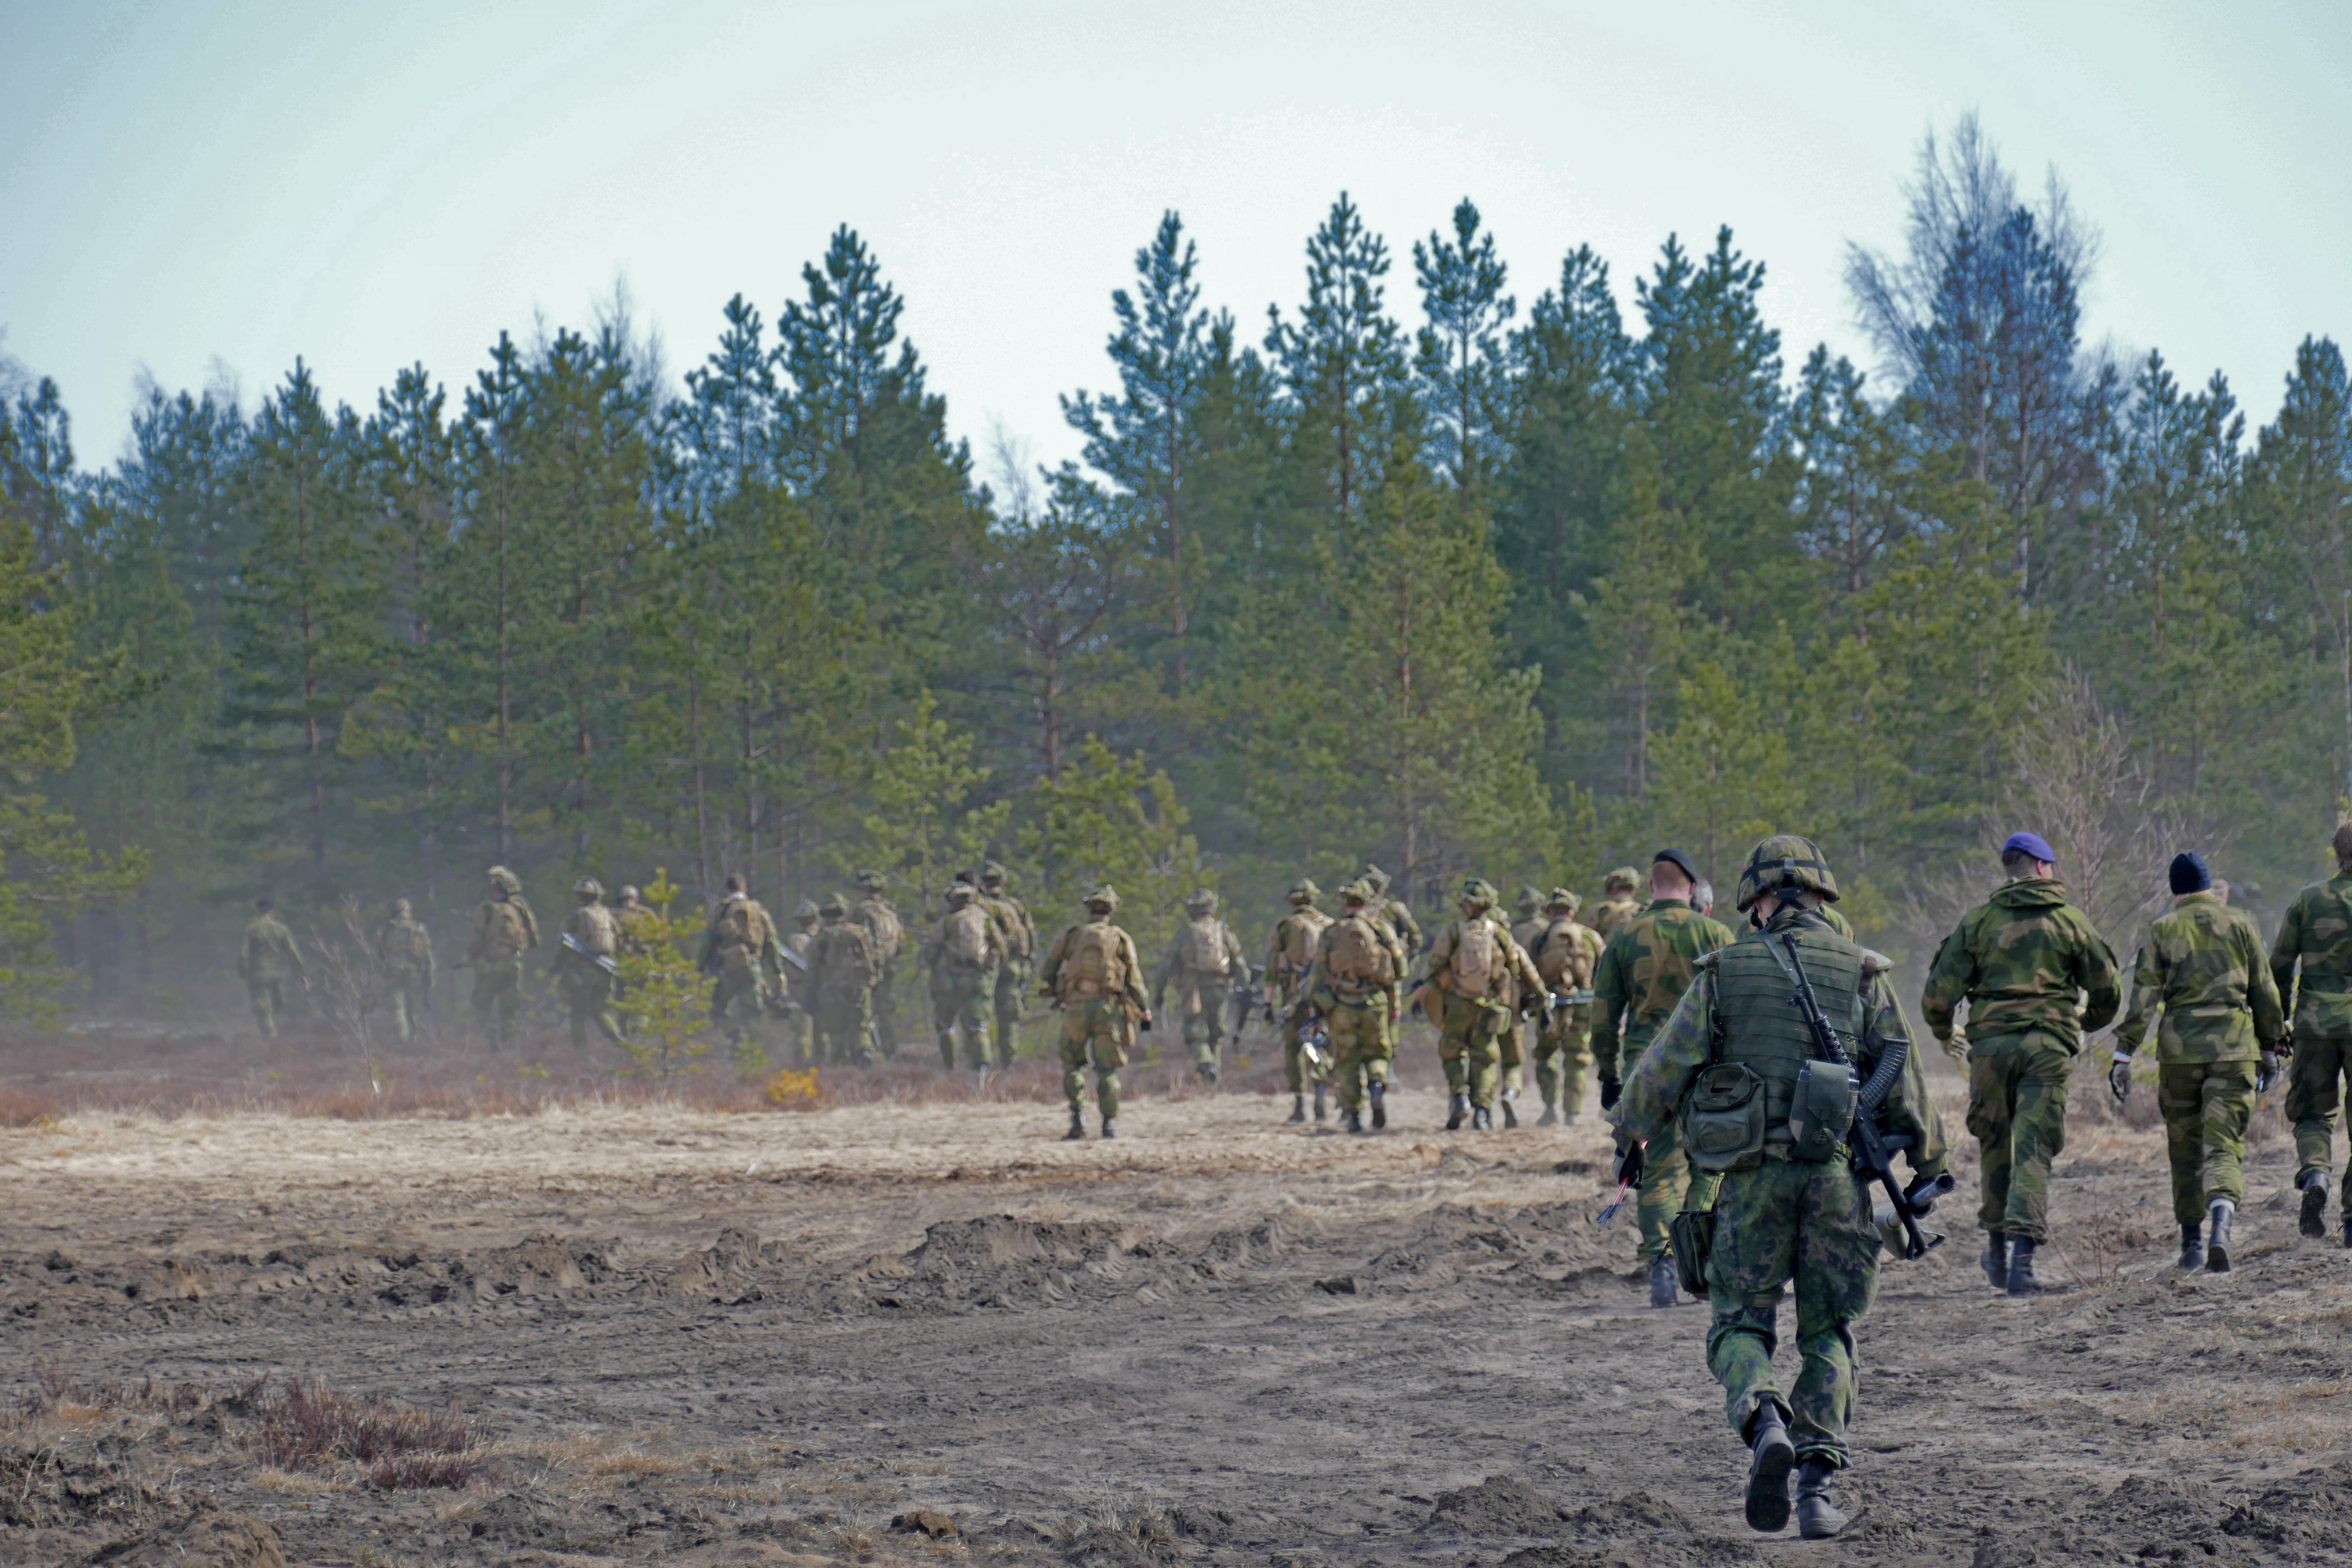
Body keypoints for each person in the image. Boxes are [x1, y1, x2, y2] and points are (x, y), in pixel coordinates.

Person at [1611, 834, 1946, 1541]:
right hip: (1834, 1181)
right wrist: (1925, 1163)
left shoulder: (1723, 970)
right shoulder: (1862, 970)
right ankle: (1818, 1487)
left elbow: (1661, 1070)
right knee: (1829, 1330)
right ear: (1821, 897)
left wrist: (1630, 1134)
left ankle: (1765, 1417)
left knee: (1738, 1320)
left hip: (1751, 1182)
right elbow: (1904, 1081)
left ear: (1758, 902)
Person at [1920, 830, 2121, 1295]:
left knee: (1995, 1143)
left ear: (2011, 870)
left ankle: (1994, 1247)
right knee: (2033, 1147)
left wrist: (1945, 1033)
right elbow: (2109, 991)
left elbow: (1937, 997)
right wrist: (2083, 1023)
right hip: (2047, 1049)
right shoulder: (2071, 922)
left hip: (1989, 1050)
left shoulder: (1978, 923)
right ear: (2043, 868)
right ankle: (2022, 1266)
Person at [2110, 851, 2285, 1271]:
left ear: (2175, 892)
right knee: (2225, 1144)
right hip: (2234, 1050)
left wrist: (2124, 1052)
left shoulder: (2162, 929)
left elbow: (2144, 998)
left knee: (2185, 1149)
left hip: (2180, 1054)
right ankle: (2222, 1221)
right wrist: (2271, 1047)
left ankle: (2191, 1244)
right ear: (2209, 886)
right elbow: (2265, 990)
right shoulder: (2241, 924)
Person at [1592, 849, 1735, 1305]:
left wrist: (1608, 1073)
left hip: (1645, 1070)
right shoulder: (1715, 933)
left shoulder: (1624, 935)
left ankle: (1663, 1264)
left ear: (1651, 887)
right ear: (1691, 889)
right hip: (1707, 1069)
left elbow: (1603, 1015)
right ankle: (1699, 1257)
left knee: (1655, 1172)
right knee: (1708, 1166)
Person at [2271, 823, 2352, 1246]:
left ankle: (2317, 1171)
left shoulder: (2309, 900)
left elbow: (2280, 967)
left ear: (2337, 855)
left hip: (2315, 1024)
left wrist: (2278, 1024)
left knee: (2312, 1114)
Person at [1420, 877, 1547, 1131]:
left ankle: (1460, 1096)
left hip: (1458, 1004)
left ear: (1466, 905)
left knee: (1452, 1052)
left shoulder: (1455, 931)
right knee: (1486, 1058)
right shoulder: (1500, 933)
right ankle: (1481, 1112)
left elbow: (1434, 966)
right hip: (1491, 1006)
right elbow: (1514, 967)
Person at [1038, 884, 1151, 1140]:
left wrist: (1056, 989)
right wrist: (1144, 1009)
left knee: (1073, 1064)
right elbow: (1134, 980)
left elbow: (1047, 971)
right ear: (1111, 911)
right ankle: (1109, 1125)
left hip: (1076, 1010)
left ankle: (1078, 1119)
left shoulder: (1071, 935)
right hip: (1107, 1010)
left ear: (1089, 909)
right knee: (1108, 1069)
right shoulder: (1120, 938)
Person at [1301, 880, 1407, 1134]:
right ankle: (1378, 1089)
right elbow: (1400, 971)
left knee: (1347, 1062)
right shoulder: (1381, 929)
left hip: (1342, 1007)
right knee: (1378, 1055)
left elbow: (1316, 976)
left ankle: (1355, 1116)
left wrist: (1315, 1007)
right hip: (1376, 1005)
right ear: (1367, 902)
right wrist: (1394, 1005)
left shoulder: (1332, 932)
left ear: (1343, 904)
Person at [1155, 889, 1247, 1085]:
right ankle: (1213, 1080)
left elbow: (1165, 966)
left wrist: (1159, 992)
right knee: (1216, 1035)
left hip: (1194, 991)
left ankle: (1207, 1066)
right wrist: (1244, 986)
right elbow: (1239, 962)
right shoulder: (1223, 931)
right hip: (1221, 989)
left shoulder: (1185, 933)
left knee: (1195, 1035)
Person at [1530, 888, 1604, 1125]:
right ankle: (1573, 1113)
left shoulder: (1540, 938)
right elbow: (1605, 972)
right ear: (1572, 912)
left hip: (1549, 1008)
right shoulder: (1591, 936)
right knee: (1577, 1058)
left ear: (1550, 913)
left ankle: (1551, 1108)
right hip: (1583, 1006)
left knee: (1546, 1056)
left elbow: (1530, 973)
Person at [1268, 880, 1335, 1122]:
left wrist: (1268, 1004)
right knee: (1323, 1043)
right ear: (1314, 900)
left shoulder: (1286, 926)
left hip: (1294, 997)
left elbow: (1272, 969)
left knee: (1295, 1047)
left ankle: (1300, 1104)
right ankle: (1320, 1093)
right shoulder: (1331, 925)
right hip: (1326, 996)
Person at [924, 880, 1004, 1069]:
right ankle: (982, 1066)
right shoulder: (985, 920)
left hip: (951, 981)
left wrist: (935, 968)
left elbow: (932, 952)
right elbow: (1001, 948)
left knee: (946, 1025)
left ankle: (950, 1066)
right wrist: (988, 967)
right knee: (977, 1025)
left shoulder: (948, 921)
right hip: (978, 979)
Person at [704, 874, 783, 1050]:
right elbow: (772, 943)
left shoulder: (721, 911)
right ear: (745, 890)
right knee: (753, 1013)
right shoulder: (759, 910)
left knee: (718, 1009)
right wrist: (778, 971)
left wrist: (699, 968)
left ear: (727, 891)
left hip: (728, 970)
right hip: (752, 968)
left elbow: (708, 942)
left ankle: (735, 1035)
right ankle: (754, 1053)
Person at [467, 866, 539, 1050]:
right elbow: (535, 940)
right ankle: (510, 1049)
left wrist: (472, 957)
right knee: (510, 1011)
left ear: (495, 888)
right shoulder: (520, 909)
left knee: (481, 1004)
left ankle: (492, 1038)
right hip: (514, 965)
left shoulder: (486, 909)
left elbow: (477, 940)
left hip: (490, 966)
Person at [554, 878, 625, 1050]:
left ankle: (581, 1053)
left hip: (582, 973)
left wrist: (557, 966)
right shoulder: (608, 916)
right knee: (600, 1011)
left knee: (578, 1013)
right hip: (605, 972)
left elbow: (563, 945)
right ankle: (619, 1041)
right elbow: (619, 940)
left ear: (578, 896)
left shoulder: (575, 917)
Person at [977, 861, 1035, 1062]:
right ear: (1003, 882)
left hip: (983, 967)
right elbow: (1031, 935)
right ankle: (1008, 1061)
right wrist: (1028, 962)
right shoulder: (1015, 906)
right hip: (1012, 966)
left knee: (977, 1016)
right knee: (1008, 1017)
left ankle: (979, 1061)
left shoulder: (977, 905)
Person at [810, 893, 878, 1064]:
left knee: (837, 1031)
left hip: (834, 988)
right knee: (862, 1026)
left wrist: (810, 994)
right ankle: (865, 1053)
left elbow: (813, 966)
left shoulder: (823, 936)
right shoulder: (860, 932)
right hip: (861, 986)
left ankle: (840, 1064)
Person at [1503, 887, 1550, 1125]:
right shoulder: (1547, 930)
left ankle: (1486, 1107)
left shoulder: (1510, 933)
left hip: (1508, 1000)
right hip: (1542, 996)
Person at [855, 870, 906, 1055]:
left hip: (866, 968)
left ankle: (867, 1050)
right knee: (885, 1011)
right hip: (890, 965)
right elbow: (901, 942)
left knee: (863, 1009)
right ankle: (889, 1050)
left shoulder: (861, 911)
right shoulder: (890, 910)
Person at [239, 898, 306, 1038]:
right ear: (272, 912)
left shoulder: (251, 929)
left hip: (258, 975)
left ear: (257, 912)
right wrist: (302, 975)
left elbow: (243, 954)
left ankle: (271, 1040)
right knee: (277, 1004)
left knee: (263, 1008)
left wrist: (244, 973)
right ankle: (273, 1036)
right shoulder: (281, 930)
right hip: (277, 975)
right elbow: (293, 953)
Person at [372, 899, 433, 1044]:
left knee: (398, 1009)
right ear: (408, 911)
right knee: (414, 1008)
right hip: (414, 973)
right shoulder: (419, 929)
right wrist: (429, 978)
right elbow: (428, 956)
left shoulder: (387, 929)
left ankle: (404, 1040)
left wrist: (380, 972)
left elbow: (378, 954)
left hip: (393, 972)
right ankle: (415, 1040)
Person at [781, 898, 821, 1063]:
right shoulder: (815, 939)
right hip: (810, 988)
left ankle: (806, 1062)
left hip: (802, 988)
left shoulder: (795, 939)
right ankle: (810, 1063)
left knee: (804, 1029)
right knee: (810, 1029)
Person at [1585, 867, 1645, 942]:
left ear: (1613, 890)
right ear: (1634, 891)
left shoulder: (1598, 910)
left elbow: (1586, 941)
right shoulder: (1644, 911)